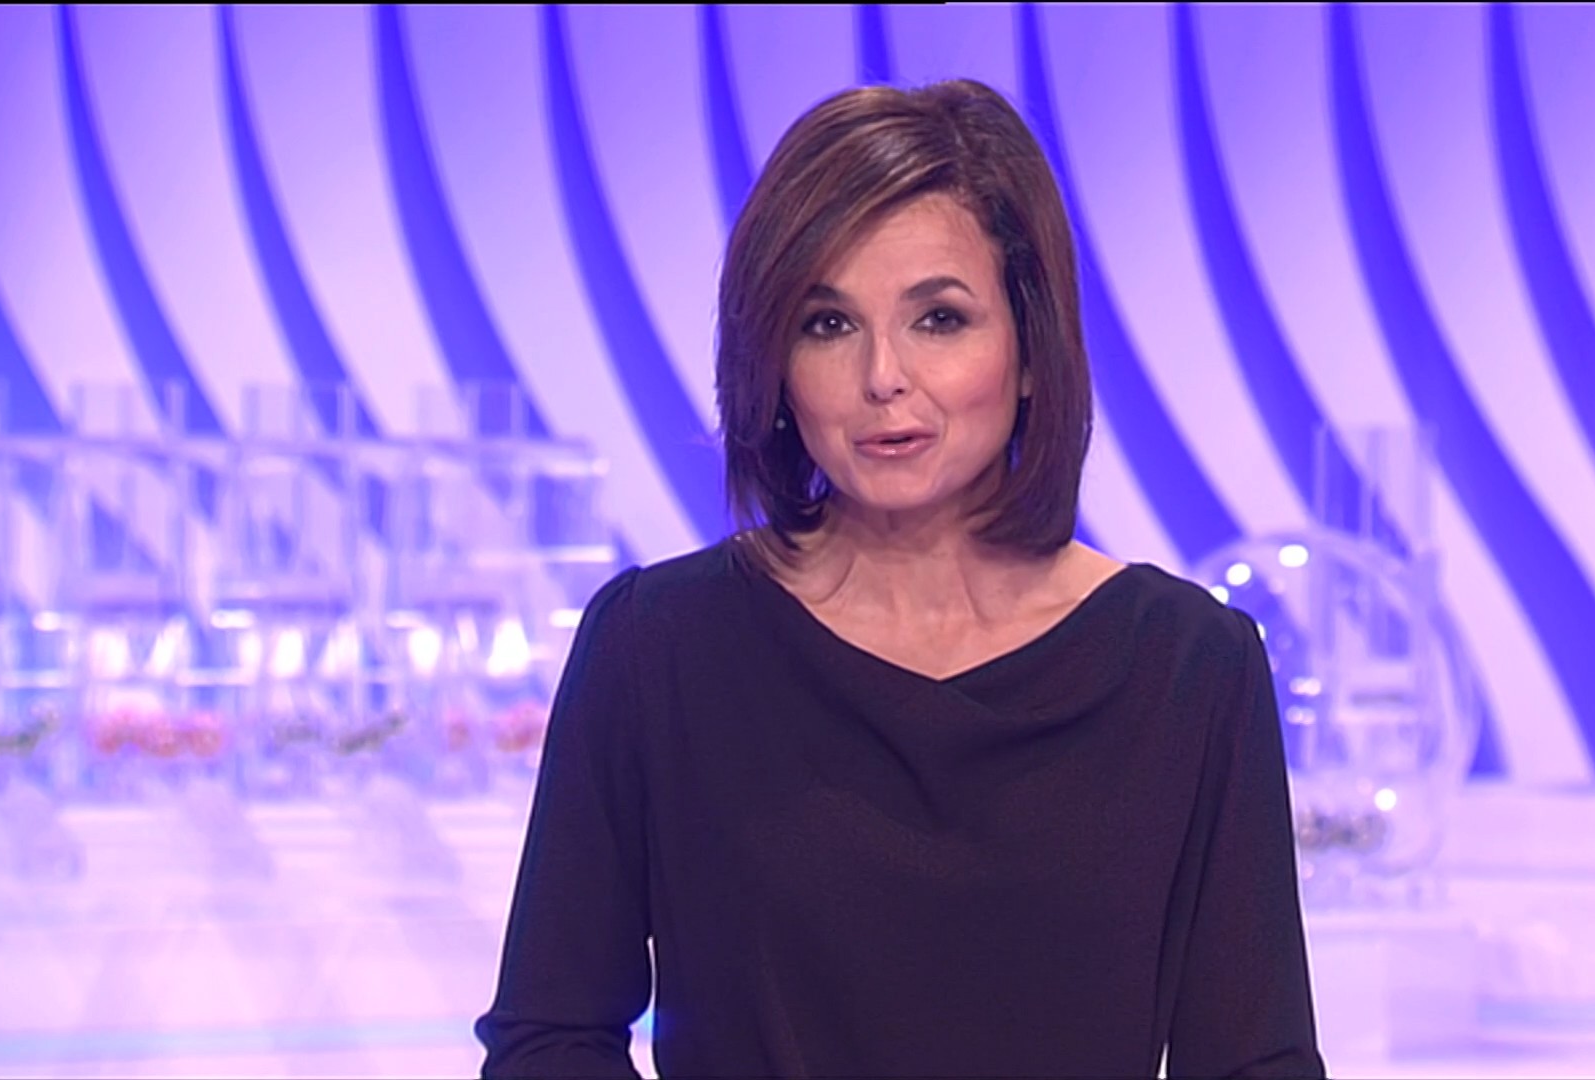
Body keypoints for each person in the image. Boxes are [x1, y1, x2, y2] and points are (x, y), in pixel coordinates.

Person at [475, 78, 1324, 1079]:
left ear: (1030, 351)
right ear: (773, 368)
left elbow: (1253, 1063)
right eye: (828, 325)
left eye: (940, 319)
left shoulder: (1188, 669)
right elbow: (552, 1038)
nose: (883, 376)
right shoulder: (656, 645)